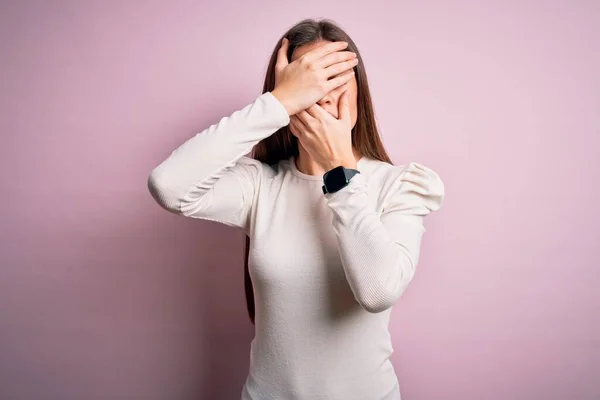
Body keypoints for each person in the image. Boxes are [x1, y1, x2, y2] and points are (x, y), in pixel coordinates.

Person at [148, 18, 444, 400]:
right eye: (310, 84)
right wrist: (277, 103)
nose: (323, 98)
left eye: (336, 81)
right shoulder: (261, 185)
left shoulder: (400, 185)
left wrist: (340, 171)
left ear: (360, 94)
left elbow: (378, 291)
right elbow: (169, 185)